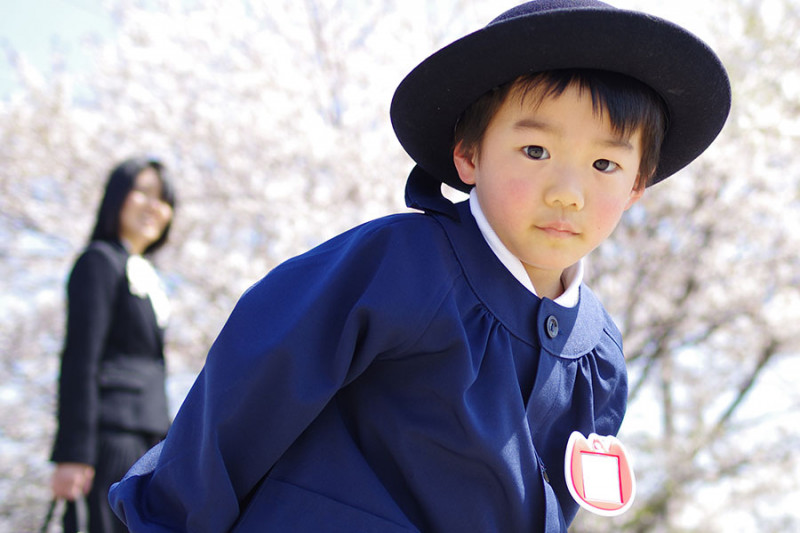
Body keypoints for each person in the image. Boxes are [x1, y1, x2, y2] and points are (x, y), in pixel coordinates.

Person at [109, 1, 731, 531]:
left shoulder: (600, 357)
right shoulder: (400, 265)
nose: (567, 191)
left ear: (637, 188)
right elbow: (249, 389)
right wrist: (172, 518)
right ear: (467, 155)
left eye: (605, 165)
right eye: (535, 149)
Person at [50, 157, 176, 533]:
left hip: (152, 441)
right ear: (116, 197)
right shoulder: (98, 262)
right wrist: (73, 454)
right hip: (109, 437)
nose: (154, 206)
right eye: (143, 192)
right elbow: (80, 358)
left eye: (164, 199)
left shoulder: (150, 277)